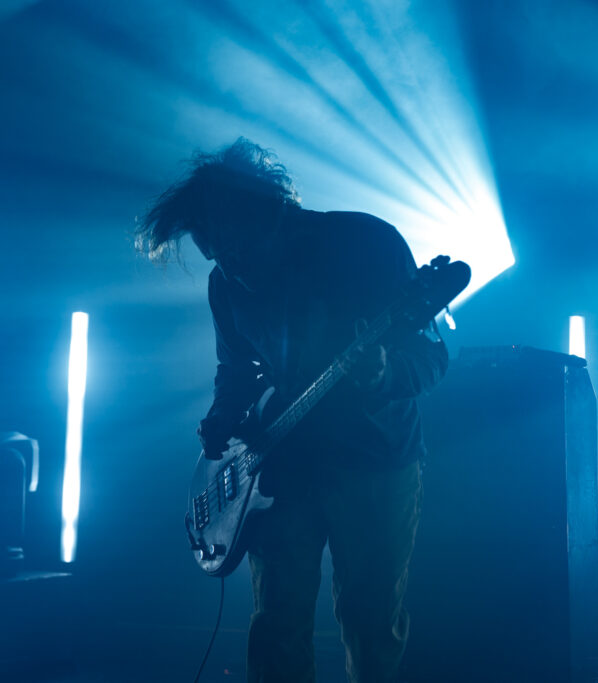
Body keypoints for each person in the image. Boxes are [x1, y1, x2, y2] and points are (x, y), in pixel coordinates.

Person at [136, 138, 448, 683]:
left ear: (269, 214)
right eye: (213, 254)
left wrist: (383, 376)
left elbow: (432, 356)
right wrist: (222, 417)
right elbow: (236, 368)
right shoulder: (225, 282)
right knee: (276, 624)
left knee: (370, 622)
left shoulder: (365, 243)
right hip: (281, 468)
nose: (226, 266)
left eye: (233, 249)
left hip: (375, 460)